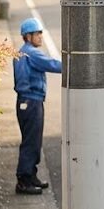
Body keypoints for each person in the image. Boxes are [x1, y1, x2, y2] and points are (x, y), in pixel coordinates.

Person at [13, 18, 62, 195]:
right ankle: (24, 181)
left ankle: (31, 176)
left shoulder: (24, 52)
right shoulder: (31, 53)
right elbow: (53, 64)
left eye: (41, 33)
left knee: (33, 140)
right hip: (31, 101)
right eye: (37, 33)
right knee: (31, 142)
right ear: (28, 36)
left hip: (27, 101)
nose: (40, 36)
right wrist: (75, 64)